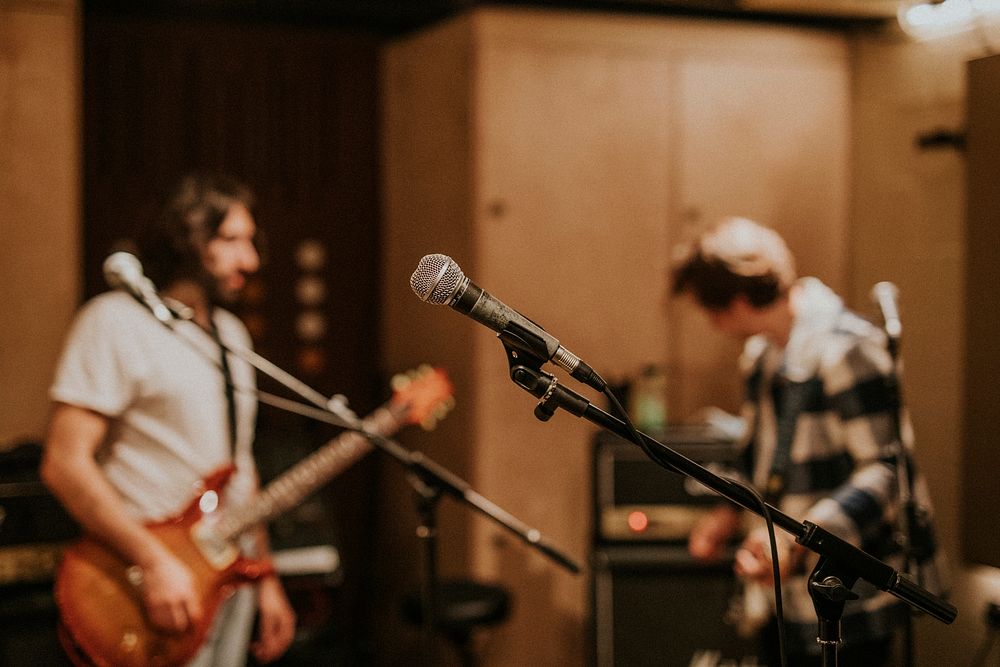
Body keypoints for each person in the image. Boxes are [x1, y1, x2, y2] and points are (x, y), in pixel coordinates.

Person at [41, 173, 296, 666]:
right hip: (145, 578)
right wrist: (152, 560)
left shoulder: (231, 335)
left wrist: (265, 575)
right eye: (232, 240)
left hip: (226, 576)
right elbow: (63, 464)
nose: (251, 260)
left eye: (251, 241)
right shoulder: (114, 322)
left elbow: (240, 468)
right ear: (188, 239)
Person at [671, 217, 944, 666]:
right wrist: (727, 515)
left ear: (736, 303)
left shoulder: (848, 348)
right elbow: (761, 459)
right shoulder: (763, 355)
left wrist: (799, 542)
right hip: (786, 595)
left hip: (851, 596)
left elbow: (887, 473)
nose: (712, 323)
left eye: (711, 310)